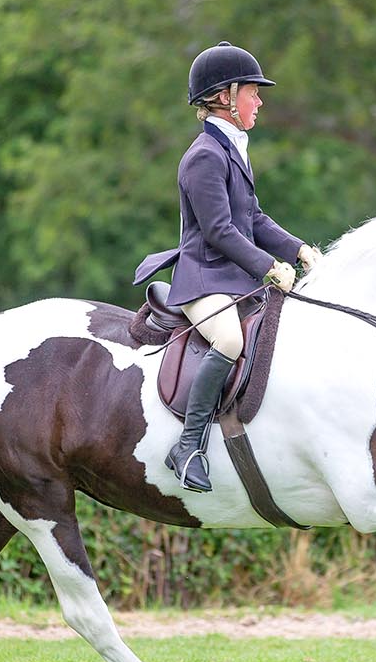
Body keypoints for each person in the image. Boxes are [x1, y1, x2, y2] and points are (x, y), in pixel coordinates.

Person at [134, 41, 321, 493]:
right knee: (229, 338)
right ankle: (188, 446)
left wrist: (300, 250)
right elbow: (218, 231)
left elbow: (253, 219)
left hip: (232, 277)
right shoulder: (204, 156)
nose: (259, 100)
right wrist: (269, 267)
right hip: (203, 280)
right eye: (252, 92)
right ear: (225, 96)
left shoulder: (232, 149)